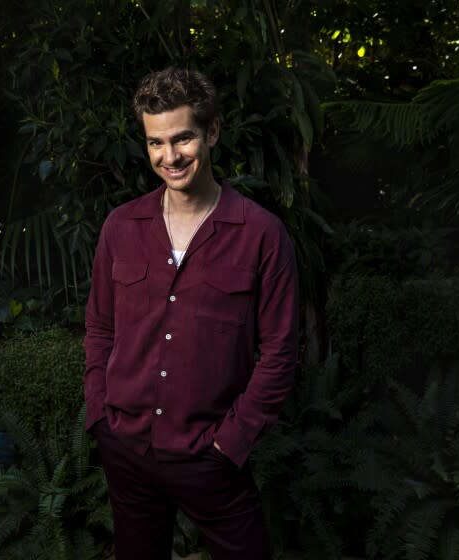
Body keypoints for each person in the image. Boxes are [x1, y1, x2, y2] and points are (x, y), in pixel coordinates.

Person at [83, 66, 299, 560]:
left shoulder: (262, 235)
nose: (170, 156)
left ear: (212, 132)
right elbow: (99, 327)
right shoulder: (120, 227)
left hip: (209, 455)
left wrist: (232, 440)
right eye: (156, 143)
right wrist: (100, 414)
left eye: (183, 138)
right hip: (128, 448)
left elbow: (281, 351)